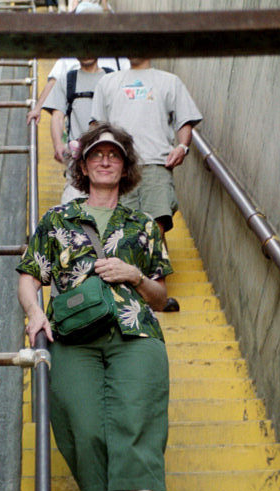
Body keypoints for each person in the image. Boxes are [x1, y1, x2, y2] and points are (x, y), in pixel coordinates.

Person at [17, 122, 173, 491]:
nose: (106, 160)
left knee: (136, 421)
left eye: (114, 154)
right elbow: (30, 274)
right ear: (83, 167)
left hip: (135, 336)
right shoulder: (56, 220)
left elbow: (160, 297)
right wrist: (34, 312)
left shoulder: (143, 226)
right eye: (96, 155)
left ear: (126, 167)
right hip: (73, 338)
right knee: (83, 429)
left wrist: (134, 275)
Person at [91, 58, 202, 310]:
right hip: (120, 165)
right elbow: (97, 126)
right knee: (122, 230)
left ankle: (155, 294)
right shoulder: (108, 82)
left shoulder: (169, 81)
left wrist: (182, 147)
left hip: (156, 163)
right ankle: (133, 294)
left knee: (155, 227)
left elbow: (185, 121)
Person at [42, 57, 112, 203]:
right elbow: (57, 116)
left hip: (108, 157)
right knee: (72, 206)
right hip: (77, 160)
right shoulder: (67, 80)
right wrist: (58, 144)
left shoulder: (111, 78)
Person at [27, 56, 129, 126]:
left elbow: (130, 81)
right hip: (78, 122)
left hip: (110, 124)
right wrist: (37, 109)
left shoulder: (117, 57)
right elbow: (54, 81)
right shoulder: (68, 58)